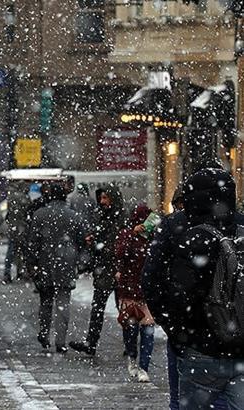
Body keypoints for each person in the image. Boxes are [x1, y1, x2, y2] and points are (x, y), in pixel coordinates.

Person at [142, 168, 244, 409]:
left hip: (197, 343)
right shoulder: (240, 226)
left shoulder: (177, 227)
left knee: (185, 401)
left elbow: (152, 280)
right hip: (240, 342)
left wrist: (176, 331)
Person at [27, 183, 86, 354]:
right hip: (66, 263)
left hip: (45, 263)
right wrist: (80, 262)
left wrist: (32, 264)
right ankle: (60, 341)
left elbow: (32, 243)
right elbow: (82, 241)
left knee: (45, 301)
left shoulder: (39, 215)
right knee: (63, 303)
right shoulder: (73, 216)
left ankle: (44, 334)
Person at [70, 185, 125, 356]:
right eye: (101, 198)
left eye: (105, 198)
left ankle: (128, 343)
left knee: (120, 308)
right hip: (107, 269)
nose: (102, 201)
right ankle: (92, 342)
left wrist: (96, 244)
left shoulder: (118, 218)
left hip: (114, 269)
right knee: (101, 307)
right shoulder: (105, 216)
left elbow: (113, 246)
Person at [114, 204, 155, 383]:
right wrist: (132, 233)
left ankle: (144, 366)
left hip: (148, 290)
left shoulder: (154, 236)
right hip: (130, 290)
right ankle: (132, 357)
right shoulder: (126, 235)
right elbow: (120, 253)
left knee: (148, 331)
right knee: (130, 329)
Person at [3, 181, 31, 283]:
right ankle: (21, 272)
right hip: (22, 228)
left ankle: (7, 273)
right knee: (22, 251)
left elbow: (9, 213)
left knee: (11, 251)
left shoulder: (11, 198)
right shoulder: (25, 198)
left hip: (13, 227)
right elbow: (27, 213)